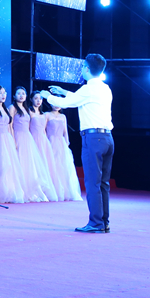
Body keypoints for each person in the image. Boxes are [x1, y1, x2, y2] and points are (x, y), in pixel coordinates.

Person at [41, 54, 113, 233]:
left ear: (87, 69)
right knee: (103, 183)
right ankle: (104, 222)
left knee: (92, 183)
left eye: (82, 67)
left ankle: (96, 223)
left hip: (93, 139)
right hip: (107, 138)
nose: (81, 69)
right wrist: (63, 90)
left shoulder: (88, 89)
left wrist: (48, 96)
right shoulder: (105, 88)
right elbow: (80, 98)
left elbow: (67, 103)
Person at [8, 87, 54, 202]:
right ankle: (19, 190)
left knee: (29, 164)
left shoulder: (25, 109)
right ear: (14, 96)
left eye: (23, 93)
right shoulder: (12, 108)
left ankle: (31, 189)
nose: (21, 96)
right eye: (19, 93)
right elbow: (10, 125)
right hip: (17, 136)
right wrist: (13, 139)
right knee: (19, 162)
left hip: (27, 138)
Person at [0, 86, 25, 204]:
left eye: (4, 93)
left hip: (6, 139)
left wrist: (12, 140)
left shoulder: (5, 109)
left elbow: (9, 126)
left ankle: (9, 191)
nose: (3, 95)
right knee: (0, 165)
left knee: (9, 166)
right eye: (0, 93)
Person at [29, 91, 65, 200]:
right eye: (36, 98)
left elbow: (44, 130)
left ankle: (44, 189)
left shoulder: (43, 114)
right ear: (31, 99)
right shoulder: (30, 112)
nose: (38, 101)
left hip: (43, 141)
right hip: (33, 139)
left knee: (44, 164)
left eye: (40, 99)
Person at [45, 104, 84, 202]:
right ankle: (53, 191)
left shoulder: (63, 116)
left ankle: (63, 191)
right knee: (52, 165)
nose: (57, 105)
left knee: (62, 166)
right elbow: (43, 130)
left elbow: (65, 131)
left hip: (61, 143)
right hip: (50, 141)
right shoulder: (47, 115)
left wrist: (66, 143)